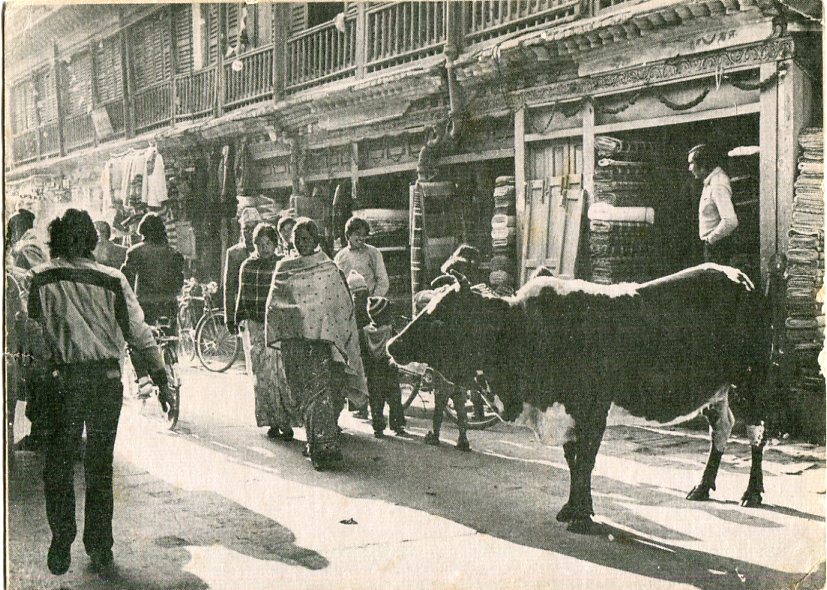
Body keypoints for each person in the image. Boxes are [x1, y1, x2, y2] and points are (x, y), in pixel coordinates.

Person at [26, 209, 169, 576]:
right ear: (92, 239)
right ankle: (100, 546)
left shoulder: (38, 279)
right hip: (105, 383)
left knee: (57, 464)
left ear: (55, 240)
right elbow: (139, 333)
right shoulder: (113, 279)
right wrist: (160, 376)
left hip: (62, 384)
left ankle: (62, 537)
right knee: (99, 466)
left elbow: (31, 336)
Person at [266, 218, 368, 470]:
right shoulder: (284, 268)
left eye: (307, 239)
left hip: (321, 343)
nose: (302, 244)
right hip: (294, 343)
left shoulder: (328, 268)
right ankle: (312, 443)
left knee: (320, 394)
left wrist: (324, 324)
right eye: (298, 240)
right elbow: (274, 306)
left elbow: (340, 304)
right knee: (301, 394)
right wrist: (299, 318)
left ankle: (323, 448)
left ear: (316, 240)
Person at [231, 223, 293, 441]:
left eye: (268, 243)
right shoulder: (247, 265)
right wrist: (237, 318)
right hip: (255, 325)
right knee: (261, 375)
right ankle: (271, 421)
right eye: (259, 243)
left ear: (275, 244)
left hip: (277, 325)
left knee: (280, 373)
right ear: (254, 244)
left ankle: (286, 422)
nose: (264, 247)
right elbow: (242, 293)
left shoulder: (282, 265)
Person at [121, 213, 185, 330]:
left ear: (143, 231)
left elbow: (125, 280)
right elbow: (179, 281)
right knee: (169, 340)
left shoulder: (134, 252)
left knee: (144, 341)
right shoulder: (174, 253)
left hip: (144, 306)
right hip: (168, 304)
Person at [362, 297, 407, 438]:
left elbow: (362, 351)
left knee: (375, 400)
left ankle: (378, 427)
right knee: (394, 399)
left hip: (373, 371)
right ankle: (397, 425)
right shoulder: (389, 330)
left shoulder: (364, 331)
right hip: (388, 369)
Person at [688, 144, 738, 264]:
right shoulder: (710, 182)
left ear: (703, 164)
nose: (690, 168)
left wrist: (711, 240)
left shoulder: (718, 184)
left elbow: (730, 221)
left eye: (691, 163)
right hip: (713, 247)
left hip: (718, 248)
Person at [223, 208, 263, 336]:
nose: (249, 233)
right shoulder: (234, 253)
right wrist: (229, 318)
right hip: (244, 311)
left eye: (253, 229)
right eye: (246, 229)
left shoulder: (267, 250)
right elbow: (229, 287)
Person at [334, 216, 389, 297]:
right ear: (348, 234)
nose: (361, 238)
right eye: (358, 234)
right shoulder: (339, 257)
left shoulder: (373, 252)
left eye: (364, 235)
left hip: (369, 301)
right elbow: (336, 283)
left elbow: (383, 281)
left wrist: (373, 300)